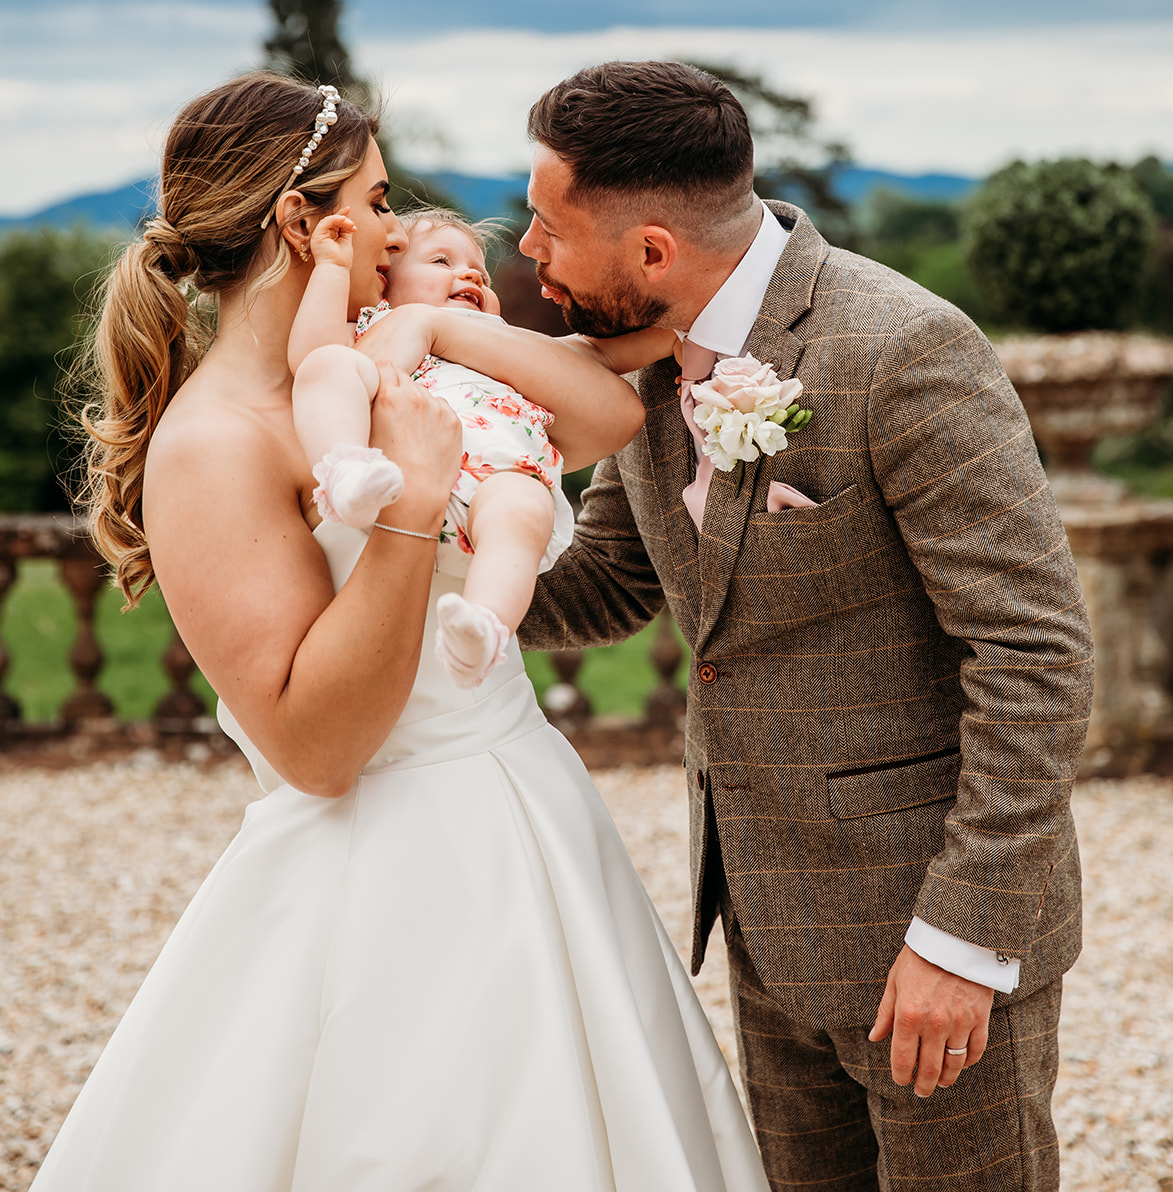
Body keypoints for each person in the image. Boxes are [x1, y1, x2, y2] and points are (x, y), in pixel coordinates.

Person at [33, 72, 769, 1191]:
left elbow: (596, 420)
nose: (395, 226)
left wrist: (439, 325)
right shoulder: (216, 444)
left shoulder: (404, 361)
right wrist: (412, 510)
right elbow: (318, 750)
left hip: (533, 810)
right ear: (304, 222)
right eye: (376, 202)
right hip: (392, 869)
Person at [516, 60, 1094, 1192]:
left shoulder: (902, 348)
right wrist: (408, 557)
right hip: (765, 918)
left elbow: (1035, 654)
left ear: (652, 250)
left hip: (928, 925)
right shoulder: (642, 360)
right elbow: (609, 583)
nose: (530, 250)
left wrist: (962, 939)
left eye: (549, 225)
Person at [288, 205, 653, 686]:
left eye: (482, 272)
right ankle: (345, 470)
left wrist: (676, 338)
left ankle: (484, 627)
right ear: (385, 282)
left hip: (493, 485)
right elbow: (310, 357)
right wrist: (332, 269)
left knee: (522, 509)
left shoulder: (503, 341)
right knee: (329, 365)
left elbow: (600, 353)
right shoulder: (376, 325)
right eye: (441, 261)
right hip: (393, 481)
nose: (471, 275)